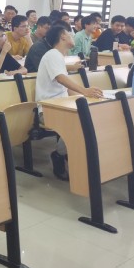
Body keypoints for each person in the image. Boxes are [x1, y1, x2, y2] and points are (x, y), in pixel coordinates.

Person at [35, 26, 104, 180]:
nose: (73, 36)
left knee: (89, 115)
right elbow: (61, 79)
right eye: (70, 34)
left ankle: (70, 156)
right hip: (48, 109)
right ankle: (59, 155)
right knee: (81, 121)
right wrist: (84, 91)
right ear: (63, 37)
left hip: (61, 105)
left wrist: (86, 96)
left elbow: (64, 88)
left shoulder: (59, 56)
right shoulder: (53, 54)